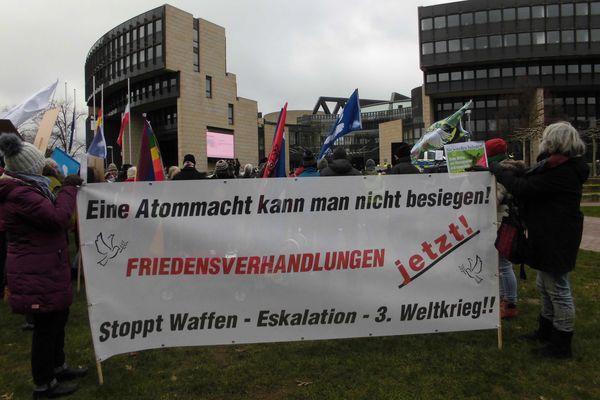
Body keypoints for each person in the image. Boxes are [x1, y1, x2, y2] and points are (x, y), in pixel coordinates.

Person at [489, 121, 589, 358]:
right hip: (548, 233)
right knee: (544, 285)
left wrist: (498, 169)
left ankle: (562, 342)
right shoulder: (556, 166)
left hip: (557, 236)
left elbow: (523, 187)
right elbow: (526, 176)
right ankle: (546, 330)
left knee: (558, 289)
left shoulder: (564, 172)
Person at [0, 133, 87, 398]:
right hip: (35, 269)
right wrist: (69, 188)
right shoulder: (20, 194)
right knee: (45, 328)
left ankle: (58, 366)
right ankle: (44, 384)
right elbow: (56, 217)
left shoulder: (32, 187)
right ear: (30, 168)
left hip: (47, 264)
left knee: (58, 318)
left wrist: (59, 183)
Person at [480, 138, 525, 319]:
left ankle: (510, 302)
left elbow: (494, 200)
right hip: (502, 222)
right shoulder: (507, 170)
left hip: (501, 223)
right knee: (500, 265)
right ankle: (502, 300)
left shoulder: (502, 174)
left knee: (504, 266)